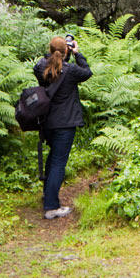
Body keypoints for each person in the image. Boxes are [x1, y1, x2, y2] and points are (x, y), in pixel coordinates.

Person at [33, 35, 92, 219]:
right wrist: (76, 53)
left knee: (53, 158)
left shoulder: (42, 68)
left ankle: (47, 195)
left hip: (48, 123)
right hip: (65, 124)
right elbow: (87, 72)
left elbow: (42, 63)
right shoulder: (71, 71)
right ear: (66, 51)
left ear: (50, 51)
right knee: (59, 162)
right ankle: (51, 207)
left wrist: (55, 53)